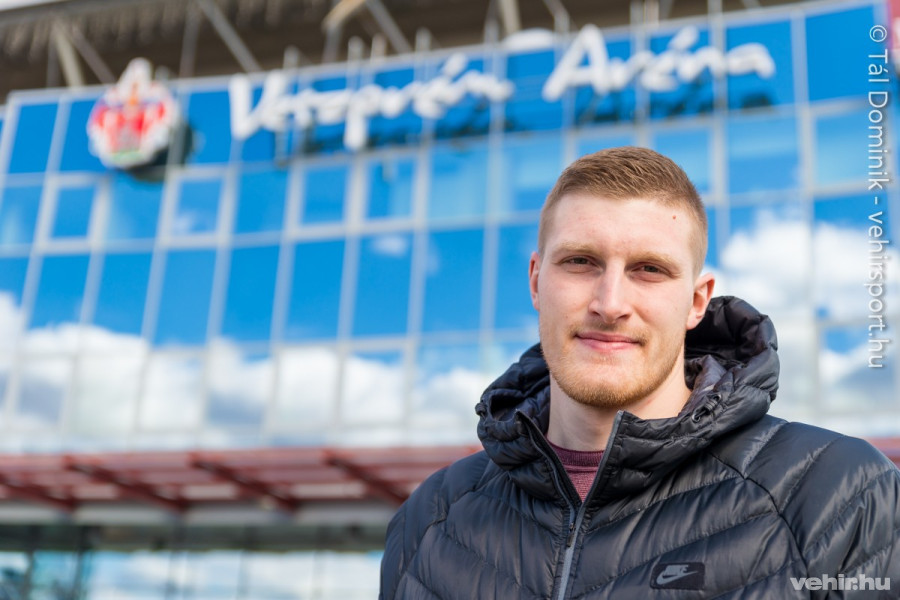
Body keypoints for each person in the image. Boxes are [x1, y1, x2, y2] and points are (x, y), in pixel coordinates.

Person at [379, 147, 900, 599]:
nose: (610, 304)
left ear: (696, 301)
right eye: (580, 262)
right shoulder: (430, 518)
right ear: (536, 281)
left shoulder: (837, 495)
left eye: (649, 269)